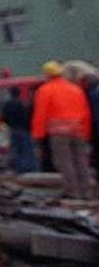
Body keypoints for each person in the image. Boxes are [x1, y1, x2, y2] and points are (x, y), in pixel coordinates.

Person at [31, 60, 93, 200]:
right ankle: (86, 191)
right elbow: (86, 112)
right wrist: (87, 133)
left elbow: (41, 114)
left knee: (65, 162)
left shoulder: (45, 90)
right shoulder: (76, 89)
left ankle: (72, 192)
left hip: (59, 133)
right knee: (81, 161)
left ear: (47, 75)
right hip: (78, 131)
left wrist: (38, 134)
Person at [1, 86, 36, 173]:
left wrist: (10, 125)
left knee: (15, 149)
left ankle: (17, 168)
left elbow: (4, 118)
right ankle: (27, 168)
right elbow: (25, 117)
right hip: (23, 130)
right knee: (25, 149)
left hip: (13, 129)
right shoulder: (22, 104)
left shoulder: (7, 104)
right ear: (19, 94)